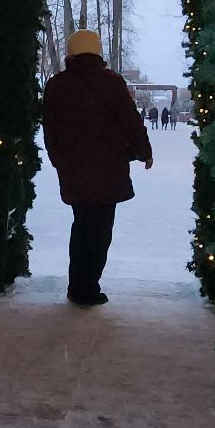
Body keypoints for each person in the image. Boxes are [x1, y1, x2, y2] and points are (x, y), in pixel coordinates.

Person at [43, 29, 153, 306]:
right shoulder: (112, 83)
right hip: (108, 171)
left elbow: (50, 130)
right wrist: (143, 151)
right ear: (98, 52)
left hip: (74, 172)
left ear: (71, 53)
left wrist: (60, 162)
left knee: (81, 225)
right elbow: (130, 121)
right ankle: (88, 287)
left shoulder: (56, 85)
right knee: (100, 229)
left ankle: (76, 285)